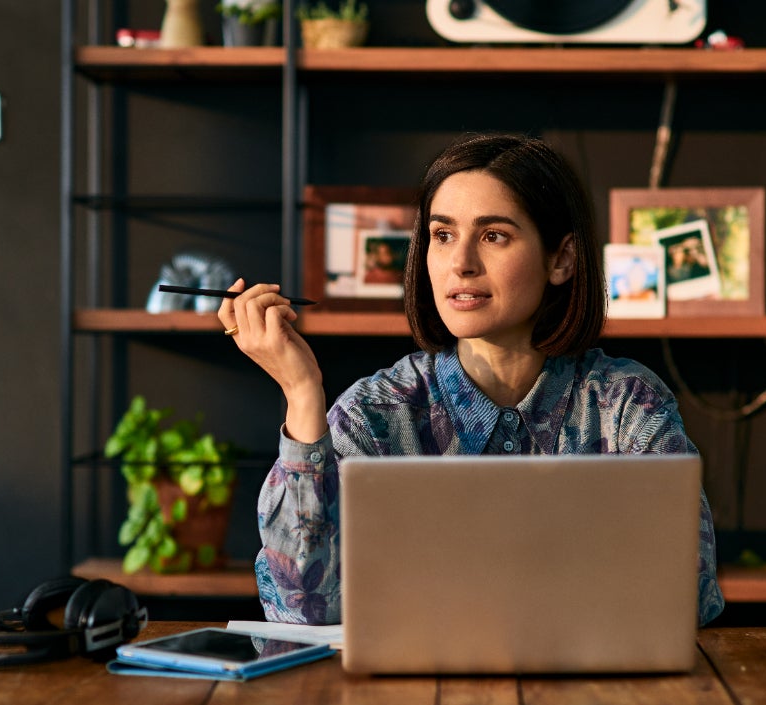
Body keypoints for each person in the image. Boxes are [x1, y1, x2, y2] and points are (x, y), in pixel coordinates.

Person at [217, 133, 724, 627]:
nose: (460, 263)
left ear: (562, 259)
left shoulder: (626, 405)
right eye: (443, 235)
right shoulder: (376, 412)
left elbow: (687, 594)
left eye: (493, 235)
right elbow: (302, 607)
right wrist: (302, 395)